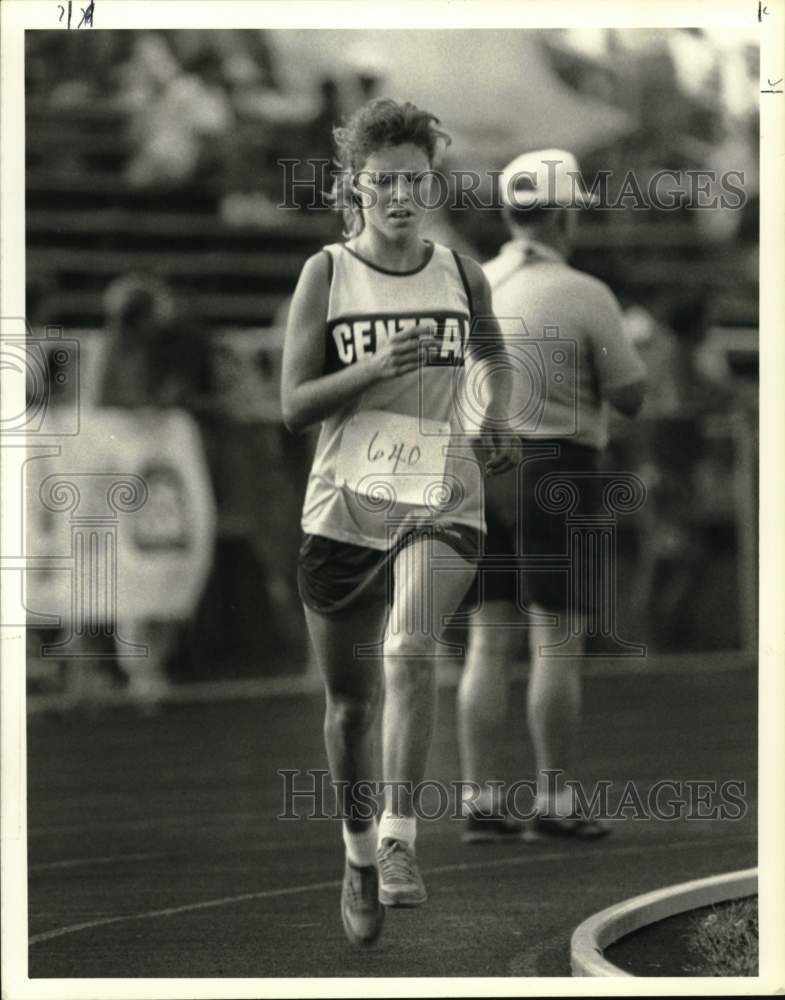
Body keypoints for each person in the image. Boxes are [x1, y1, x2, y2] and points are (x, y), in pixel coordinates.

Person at [281, 98, 515, 945]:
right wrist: (372, 367)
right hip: (345, 506)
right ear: (355, 188)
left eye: (415, 180)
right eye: (384, 183)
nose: (401, 196)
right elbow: (293, 404)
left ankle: (399, 842)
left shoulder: (460, 271)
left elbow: (490, 353)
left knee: (410, 652)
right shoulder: (328, 273)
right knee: (349, 708)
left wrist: (493, 418)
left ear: (432, 183)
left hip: (442, 499)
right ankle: (354, 855)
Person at [457, 149, 647, 842]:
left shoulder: (473, 281)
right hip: (555, 468)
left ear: (510, 213)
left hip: (478, 467)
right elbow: (629, 394)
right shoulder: (584, 291)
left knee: (486, 638)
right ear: (566, 214)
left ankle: (479, 794)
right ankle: (556, 799)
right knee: (555, 641)